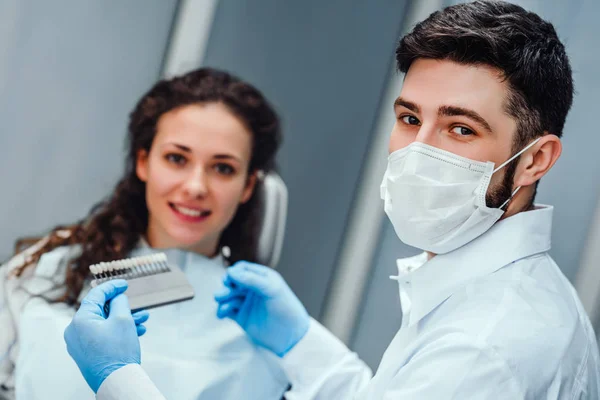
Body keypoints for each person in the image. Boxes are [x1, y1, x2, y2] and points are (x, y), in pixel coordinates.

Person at [64, 1, 600, 399]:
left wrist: (119, 379)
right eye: (410, 118)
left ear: (534, 159)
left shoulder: (488, 346)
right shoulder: (489, 301)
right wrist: (300, 342)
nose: (416, 153)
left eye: (459, 129)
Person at [0, 67, 290, 399]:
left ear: (248, 185)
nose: (195, 187)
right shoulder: (49, 271)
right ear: (143, 161)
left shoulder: (267, 327)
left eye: (223, 168)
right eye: (176, 158)